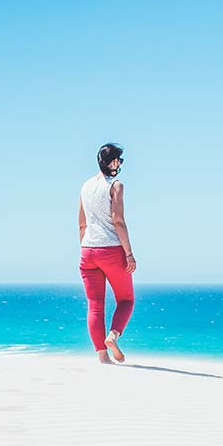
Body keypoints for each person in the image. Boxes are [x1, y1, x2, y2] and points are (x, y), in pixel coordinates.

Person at [78, 143, 136, 364]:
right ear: (112, 162)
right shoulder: (116, 186)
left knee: (95, 305)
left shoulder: (85, 187)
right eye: (118, 160)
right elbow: (118, 221)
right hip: (111, 250)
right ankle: (113, 335)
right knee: (126, 300)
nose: (119, 164)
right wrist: (129, 254)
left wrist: (85, 248)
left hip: (87, 250)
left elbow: (81, 224)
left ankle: (102, 356)